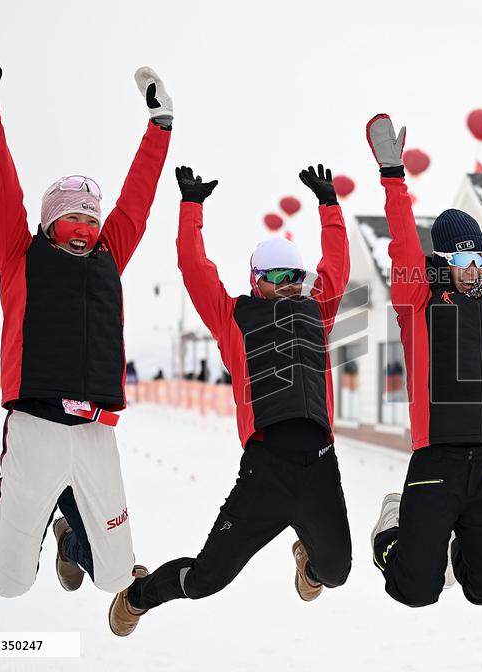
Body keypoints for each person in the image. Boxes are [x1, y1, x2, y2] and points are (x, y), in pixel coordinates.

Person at [0, 38, 172, 598]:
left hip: (97, 430)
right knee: (7, 586)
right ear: (50, 223)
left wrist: (160, 126)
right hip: (35, 428)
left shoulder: (111, 255)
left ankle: (70, 536)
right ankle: (1, 544)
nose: (84, 225)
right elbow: (2, 182)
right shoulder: (19, 254)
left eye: (91, 217)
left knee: (113, 581)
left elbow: (138, 199)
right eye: (72, 216)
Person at [108, 164, 352, 636]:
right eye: (278, 275)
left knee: (337, 572)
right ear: (256, 278)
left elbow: (336, 266)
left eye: (295, 276)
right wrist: (191, 209)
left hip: (320, 464)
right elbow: (195, 269)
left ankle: (308, 558)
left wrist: (330, 207)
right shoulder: (235, 316)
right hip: (267, 471)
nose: (289, 284)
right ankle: (138, 595)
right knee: (207, 579)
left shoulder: (317, 308)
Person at [366, 113, 482, 607]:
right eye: (462, 262)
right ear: (443, 265)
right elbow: (404, 240)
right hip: (437, 459)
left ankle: (450, 547)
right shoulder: (419, 301)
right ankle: (394, 528)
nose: (474, 271)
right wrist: (392, 175)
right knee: (415, 591)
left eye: (479, 261)